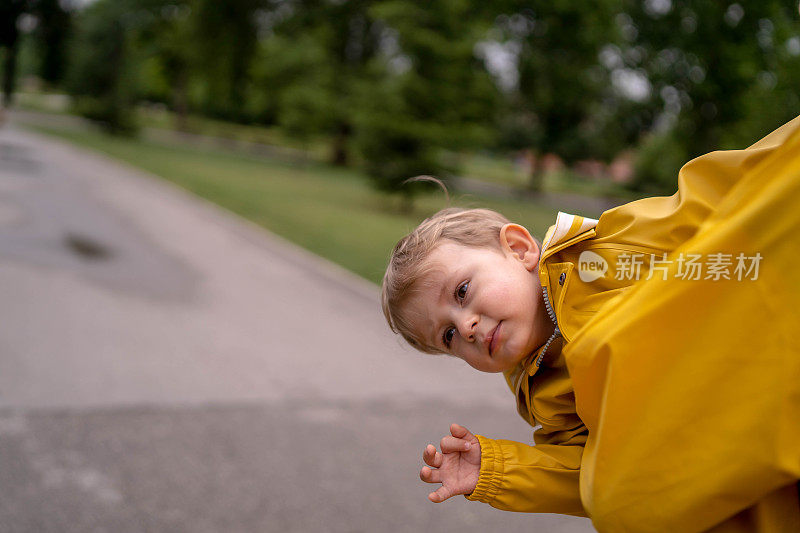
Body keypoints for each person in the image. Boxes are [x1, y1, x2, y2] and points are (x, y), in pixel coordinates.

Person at [380, 116, 800, 532]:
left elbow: (707, 203)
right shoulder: (544, 398)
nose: (466, 327)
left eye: (462, 292)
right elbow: (595, 471)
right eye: (448, 335)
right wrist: (494, 470)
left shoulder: (606, 253)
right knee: (623, 506)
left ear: (519, 248)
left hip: (751, 348)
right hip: (725, 448)